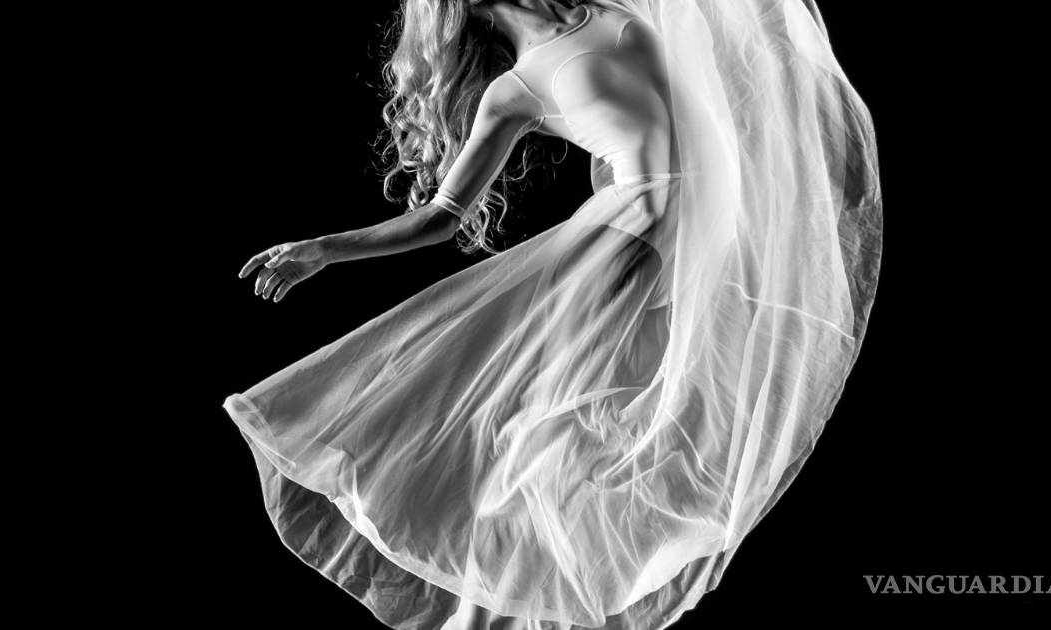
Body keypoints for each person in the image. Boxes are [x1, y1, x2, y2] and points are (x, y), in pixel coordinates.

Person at [229, 2, 882, 629]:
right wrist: (325, 249)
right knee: (552, 436)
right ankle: (486, 608)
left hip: (703, 231)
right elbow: (442, 217)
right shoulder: (513, 91)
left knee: (611, 428)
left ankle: (513, 599)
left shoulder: (608, 8)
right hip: (631, 236)